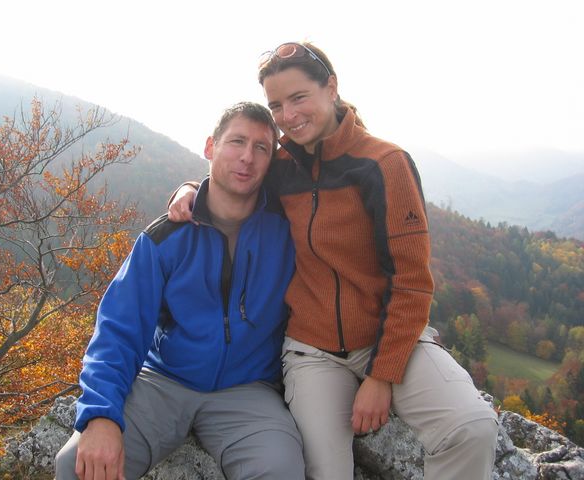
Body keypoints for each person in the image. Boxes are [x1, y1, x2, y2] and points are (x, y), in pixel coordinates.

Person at [168, 42, 499, 480]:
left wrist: (381, 376)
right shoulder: (281, 167)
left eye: (298, 98)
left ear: (331, 88)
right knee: (325, 471)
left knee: (472, 428)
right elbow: (234, 180)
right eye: (277, 105)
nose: (288, 116)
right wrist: (193, 188)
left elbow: (412, 281)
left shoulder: (384, 164)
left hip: (392, 338)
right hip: (312, 350)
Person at [55, 102, 304, 480]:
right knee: (77, 466)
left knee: (281, 469)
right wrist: (101, 415)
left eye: (261, 148)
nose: (247, 157)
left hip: (249, 390)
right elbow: (119, 327)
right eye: (237, 141)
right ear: (210, 147)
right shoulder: (166, 238)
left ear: (271, 162)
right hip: (164, 381)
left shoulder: (287, 232)